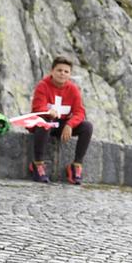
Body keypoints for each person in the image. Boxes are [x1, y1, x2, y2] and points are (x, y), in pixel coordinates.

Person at [28, 55, 93, 184]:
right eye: (59, 70)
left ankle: (76, 166)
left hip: (62, 124)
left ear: (70, 74)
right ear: (52, 71)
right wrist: (48, 112)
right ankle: (37, 164)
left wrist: (70, 124)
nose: (62, 74)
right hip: (44, 123)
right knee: (44, 122)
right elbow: (37, 108)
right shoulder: (43, 86)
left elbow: (80, 112)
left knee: (87, 127)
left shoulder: (73, 89)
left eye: (66, 71)